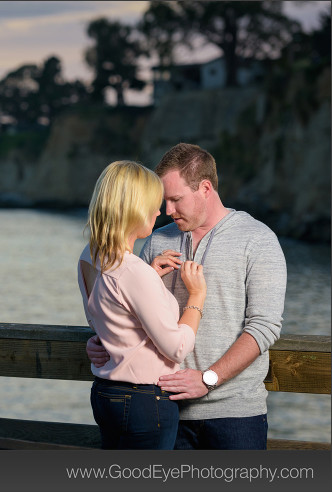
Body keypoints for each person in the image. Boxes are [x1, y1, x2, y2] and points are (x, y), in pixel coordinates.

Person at [86, 143, 286, 449]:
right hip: (164, 409)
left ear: (205, 188)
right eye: (163, 201)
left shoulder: (258, 240)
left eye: (176, 199)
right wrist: (105, 340)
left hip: (234, 414)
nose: (167, 211)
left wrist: (208, 379)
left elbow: (264, 327)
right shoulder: (156, 241)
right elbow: (129, 308)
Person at [79, 160, 206, 449]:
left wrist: (148, 275)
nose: (160, 211)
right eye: (153, 203)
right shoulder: (133, 271)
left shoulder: (90, 256)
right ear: (133, 207)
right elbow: (176, 347)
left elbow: (102, 316)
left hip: (105, 394)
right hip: (143, 402)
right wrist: (196, 297)